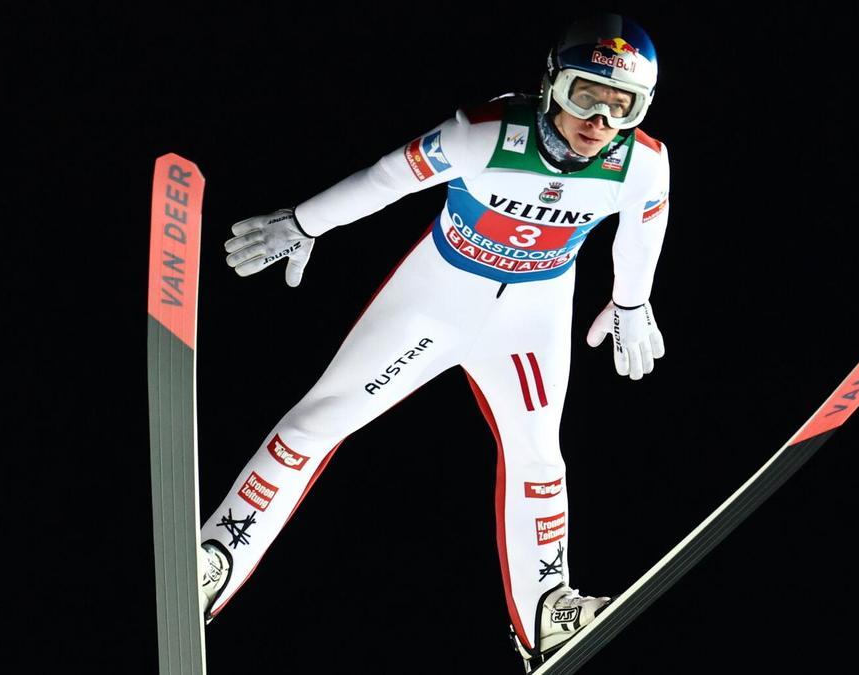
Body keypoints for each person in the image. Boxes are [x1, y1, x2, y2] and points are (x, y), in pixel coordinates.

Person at [197, 13, 670, 670]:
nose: (599, 121)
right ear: (550, 85)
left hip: (529, 320)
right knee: (317, 421)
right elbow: (386, 179)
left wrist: (631, 300)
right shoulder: (482, 134)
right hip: (437, 300)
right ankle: (218, 555)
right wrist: (304, 223)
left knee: (539, 455)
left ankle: (545, 612)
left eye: (621, 106)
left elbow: (643, 228)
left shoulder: (640, 162)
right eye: (584, 95)